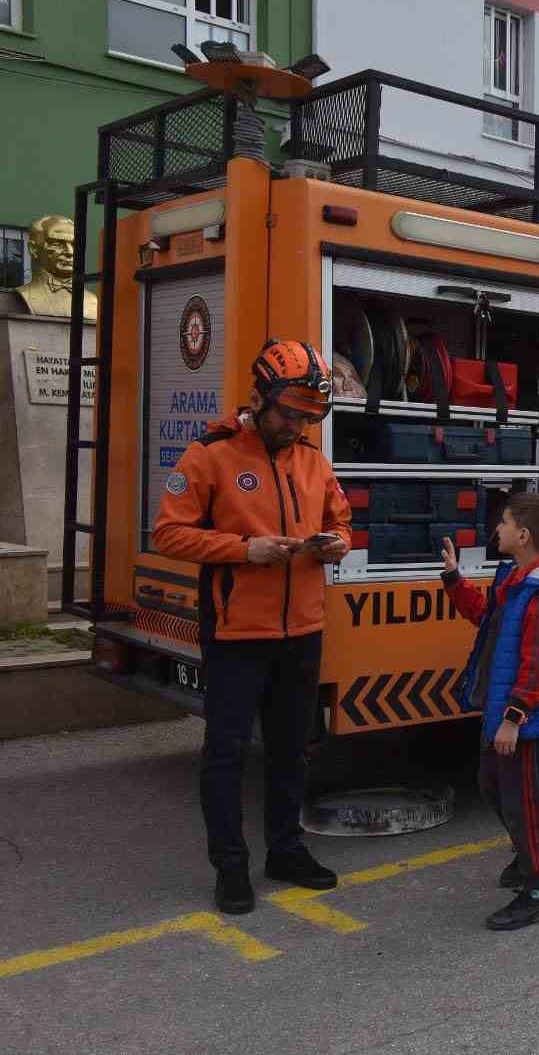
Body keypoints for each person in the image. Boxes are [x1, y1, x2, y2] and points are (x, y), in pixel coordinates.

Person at [152, 339, 350, 915]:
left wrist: (336, 542)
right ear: (259, 398)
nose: (296, 425)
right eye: (288, 413)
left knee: (292, 750)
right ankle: (230, 867)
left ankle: (286, 851)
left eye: (308, 416)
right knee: (226, 753)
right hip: (238, 634)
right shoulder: (211, 454)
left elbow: (342, 520)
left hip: (303, 631)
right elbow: (168, 532)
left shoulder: (312, 459)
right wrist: (245, 549)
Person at [442, 492, 539, 929]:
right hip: (501, 713)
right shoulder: (515, 580)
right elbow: (487, 619)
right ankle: (534, 850)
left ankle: (537, 889)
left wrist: (514, 718)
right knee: (491, 788)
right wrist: (453, 580)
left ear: (522, 536)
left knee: (521, 803)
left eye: (501, 524)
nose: (495, 530)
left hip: (519, 721)